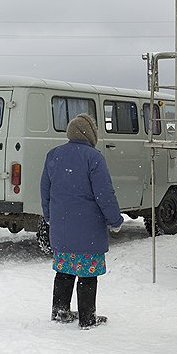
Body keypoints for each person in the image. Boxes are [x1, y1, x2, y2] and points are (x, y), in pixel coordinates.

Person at [41, 114, 123, 328]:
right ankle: (87, 318)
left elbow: (45, 191)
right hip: (88, 228)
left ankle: (60, 312)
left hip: (62, 226)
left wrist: (49, 216)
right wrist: (115, 219)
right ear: (90, 134)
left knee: (65, 271)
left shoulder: (53, 155)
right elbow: (105, 194)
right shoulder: (93, 157)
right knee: (87, 274)